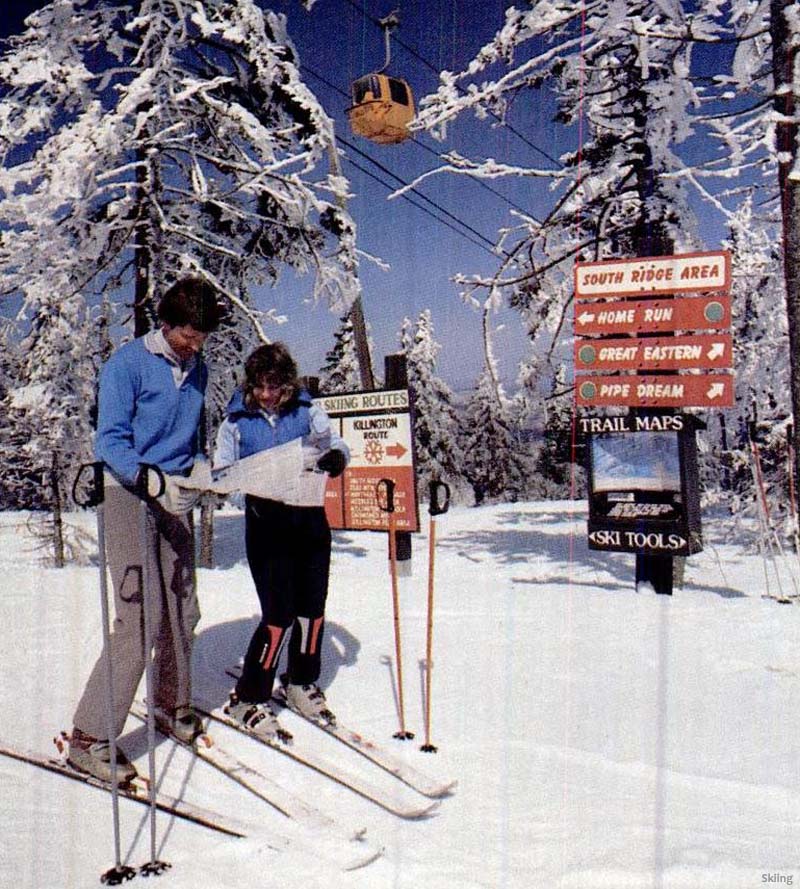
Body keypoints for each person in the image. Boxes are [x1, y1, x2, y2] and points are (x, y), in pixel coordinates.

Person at [68, 276, 225, 782]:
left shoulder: (197, 370)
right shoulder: (128, 365)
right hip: (129, 494)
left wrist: (198, 469)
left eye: (201, 337)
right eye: (186, 335)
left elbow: (194, 438)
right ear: (165, 324)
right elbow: (110, 440)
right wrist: (148, 479)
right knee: (139, 618)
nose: (194, 346)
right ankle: (89, 737)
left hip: (173, 495)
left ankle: (168, 703)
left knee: (183, 606)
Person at [213, 342, 349, 738]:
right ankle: (249, 696)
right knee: (278, 613)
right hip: (266, 521)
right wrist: (251, 491)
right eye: (260, 387)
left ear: (288, 384)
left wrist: (337, 458)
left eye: (276, 387)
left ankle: (300, 681)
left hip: (308, 516)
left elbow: (335, 444)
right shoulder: (236, 422)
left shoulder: (307, 411)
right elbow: (224, 474)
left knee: (312, 607)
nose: (268, 395)